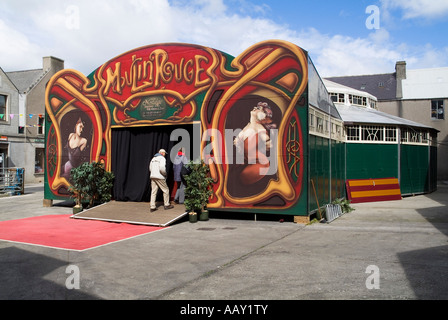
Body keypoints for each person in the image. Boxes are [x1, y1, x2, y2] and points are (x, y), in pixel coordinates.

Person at [233, 102, 277, 185]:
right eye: (256, 107)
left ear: (262, 115)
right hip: (243, 163)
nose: (255, 108)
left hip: (259, 164)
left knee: (240, 182)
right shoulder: (248, 127)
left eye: (259, 109)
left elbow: (250, 151)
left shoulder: (260, 130)